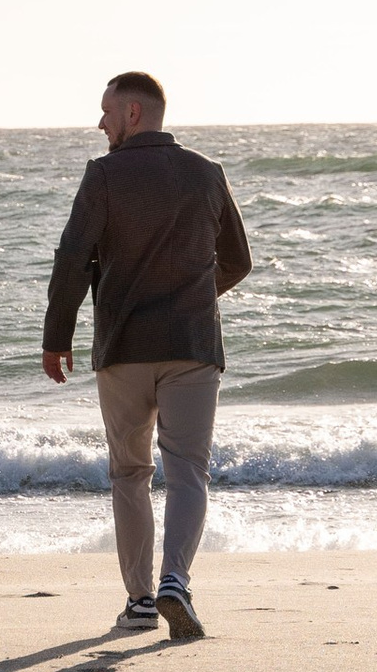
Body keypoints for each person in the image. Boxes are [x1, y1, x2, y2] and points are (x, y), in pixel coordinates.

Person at [42, 70, 251, 642]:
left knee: (129, 473)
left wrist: (56, 337)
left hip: (124, 349)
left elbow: (71, 259)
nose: (100, 121)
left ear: (133, 114)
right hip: (193, 348)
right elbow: (237, 261)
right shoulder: (207, 174)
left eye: (106, 110)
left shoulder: (104, 175)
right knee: (188, 471)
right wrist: (192, 299)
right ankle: (176, 581)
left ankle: (138, 600)